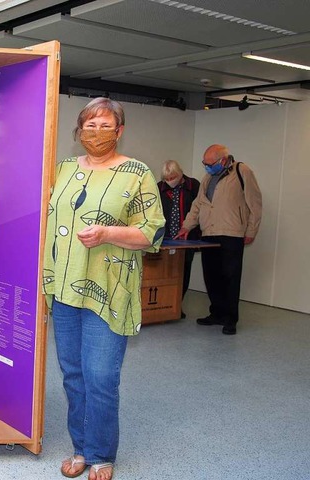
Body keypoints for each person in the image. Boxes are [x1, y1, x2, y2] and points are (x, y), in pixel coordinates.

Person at [43, 98, 165, 480]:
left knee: (100, 377)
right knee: (72, 375)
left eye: (105, 124)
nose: (96, 131)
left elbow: (153, 230)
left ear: (120, 130)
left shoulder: (136, 173)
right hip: (63, 289)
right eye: (89, 124)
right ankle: (80, 447)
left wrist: (108, 233)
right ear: (79, 131)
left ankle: (100, 454)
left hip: (108, 291)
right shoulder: (61, 168)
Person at [175, 144, 262, 335]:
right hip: (209, 233)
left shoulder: (242, 171)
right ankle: (217, 314)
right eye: (204, 163)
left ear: (223, 160)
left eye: (209, 163)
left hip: (232, 233)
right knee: (211, 276)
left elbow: (255, 202)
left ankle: (230, 319)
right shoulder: (208, 177)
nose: (206, 167)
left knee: (230, 277)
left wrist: (251, 230)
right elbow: (198, 204)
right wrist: (186, 226)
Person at [157, 160, 201, 316]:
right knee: (164, 272)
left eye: (173, 177)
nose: (170, 181)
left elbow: (199, 209)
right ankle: (163, 305)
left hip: (187, 238)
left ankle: (176, 305)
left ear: (180, 173)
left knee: (183, 272)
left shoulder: (194, 186)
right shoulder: (159, 188)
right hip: (165, 237)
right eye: (166, 179)